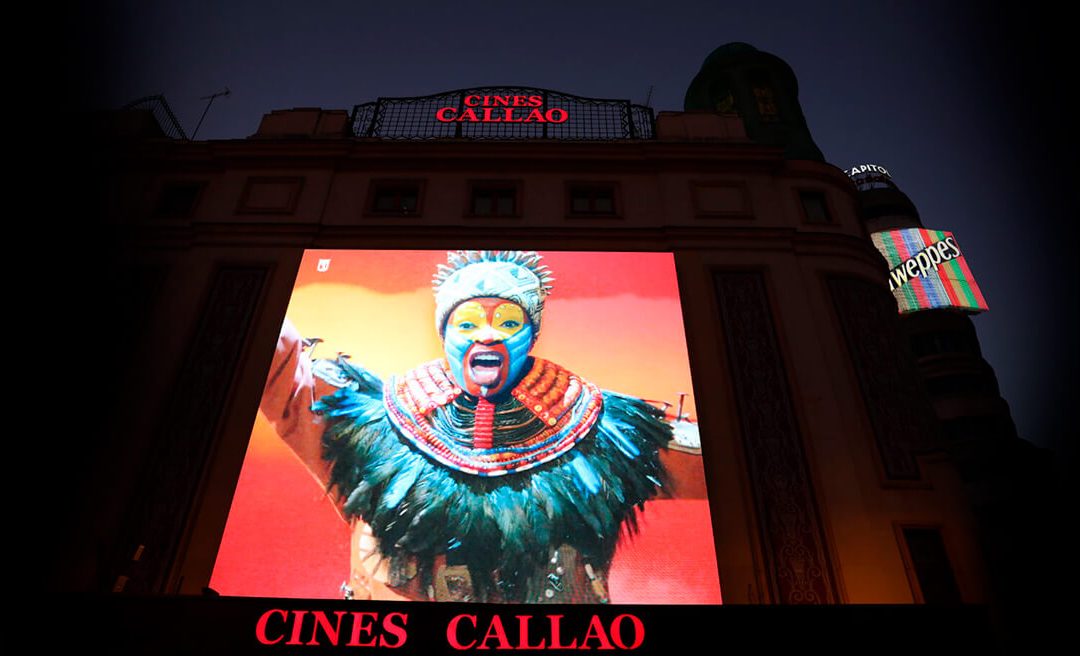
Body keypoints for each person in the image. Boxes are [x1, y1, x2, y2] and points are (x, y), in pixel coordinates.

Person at [260, 250, 672, 603]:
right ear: (445, 334)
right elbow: (280, 370)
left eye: (509, 322)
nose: (489, 335)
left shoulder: (606, 430)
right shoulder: (370, 423)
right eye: (468, 323)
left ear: (531, 334)